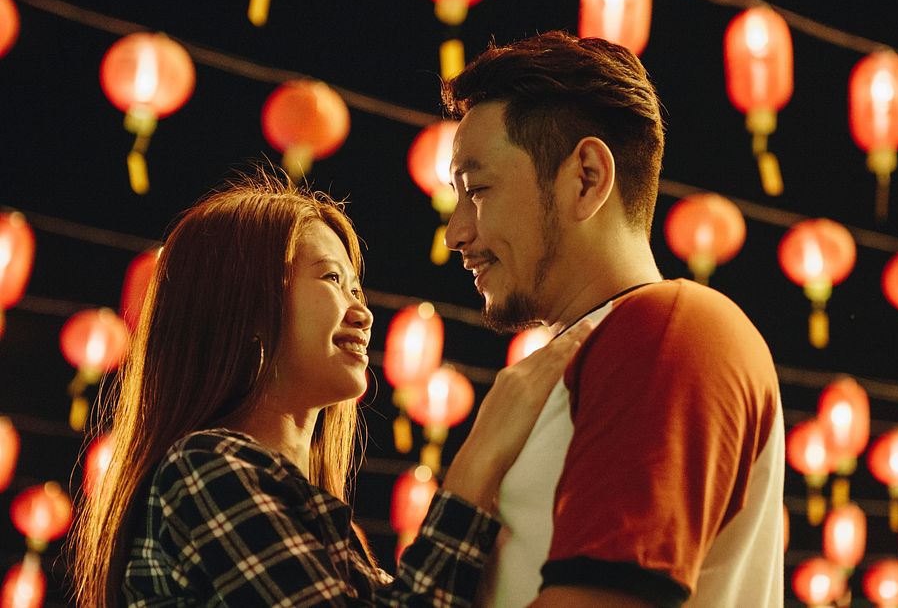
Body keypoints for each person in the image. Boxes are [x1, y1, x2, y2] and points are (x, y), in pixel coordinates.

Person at [68, 174, 593, 607]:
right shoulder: (207, 469)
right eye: (331, 280)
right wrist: (480, 459)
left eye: (357, 287)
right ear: (244, 305)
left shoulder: (319, 526)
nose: (363, 313)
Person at [442, 31, 785, 607]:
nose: (457, 233)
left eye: (476, 190)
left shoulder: (667, 331)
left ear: (587, 177)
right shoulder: (584, 361)